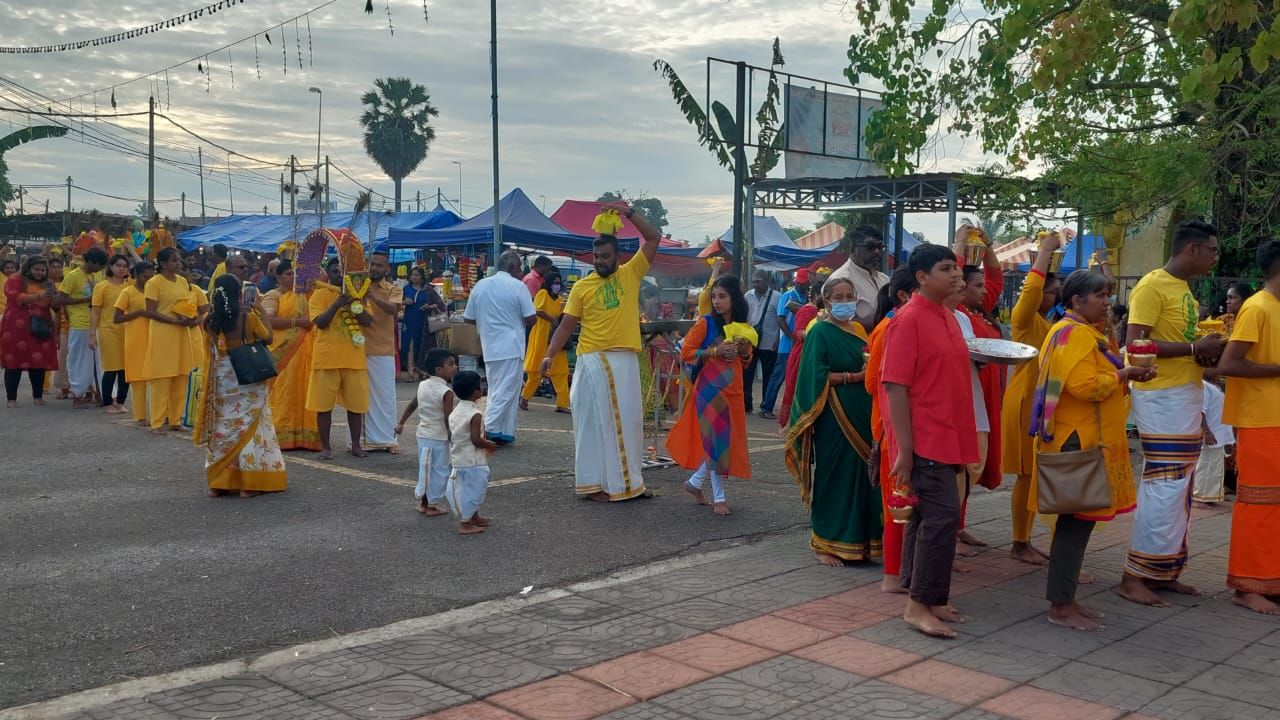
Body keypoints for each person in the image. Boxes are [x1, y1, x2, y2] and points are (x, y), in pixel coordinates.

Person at [1030, 270, 1146, 631]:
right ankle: (1061, 607)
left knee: (1076, 525)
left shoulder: (1077, 332)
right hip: (1079, 440)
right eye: (1100, 295)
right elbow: (1085, 386)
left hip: (1081, 437)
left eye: (1108, 295)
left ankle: (1066, 600)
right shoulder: (1075, 334)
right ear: (1077, 301)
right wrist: (1124, 374)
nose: (1107, 301)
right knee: (1073, 525)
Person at [1120, 219, 1226, 607]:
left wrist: (1202, 349)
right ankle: (1134, 576)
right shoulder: (1151, 285)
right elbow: (1135, 345)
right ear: (1192, 249)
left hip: (1184, 392)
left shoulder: (1182, 289)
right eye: (1212, 249)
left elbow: (1181, 342)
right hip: (1161, 394)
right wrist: (1195, 349)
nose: (1216, 257)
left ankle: (1162, 571)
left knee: (1179, 484)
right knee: (1164, 483)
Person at [881, 243, 976, 638]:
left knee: (927, 518)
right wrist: (904, 448)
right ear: (921, 278)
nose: (955, 275)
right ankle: (917, 605)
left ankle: (930, 597)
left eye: (955, 268)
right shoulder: (909, 319)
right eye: (944, 268)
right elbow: (894, 386)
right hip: (925, 437)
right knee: (942, 517)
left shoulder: (948, 316)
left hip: (947, 431)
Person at [541, 206, 662, 501]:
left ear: (618, 257)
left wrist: (630, 213)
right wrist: (548, 355)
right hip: (595, 360)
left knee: (629, 424)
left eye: (605, 256)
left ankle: (627, 482)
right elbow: (565, 326)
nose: (599, 261)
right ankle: (600, 485)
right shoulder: (582, 287)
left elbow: (653, 238)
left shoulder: (631, 273)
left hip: (626, 360)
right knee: (597, 426)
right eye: (596, 257)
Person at [786, 275, 884, 563]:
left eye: (849, 296)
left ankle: (861, 541)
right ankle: (824, 543)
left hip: (863, 413)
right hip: (833, 415)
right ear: (826, 301)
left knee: (863, 477)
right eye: (838, 297)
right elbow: (814, 376)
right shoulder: (820, 332)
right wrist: (854, 377)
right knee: (835, 476)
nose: (844, 302)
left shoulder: (858, 330)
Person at [1216, 240, 1280, 614]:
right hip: (1259, 419)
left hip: (1274, 417)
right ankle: (1246, 584)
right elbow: (1228, 364)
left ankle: (1269, 579)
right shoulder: (1257, 307)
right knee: (1258, 504)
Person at [192, 274, 287, 498]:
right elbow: (268, 338)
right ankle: (249, 484)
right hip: (247, 376)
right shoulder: (247, 316)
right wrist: (261, 310)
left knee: (224, 426)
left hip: (222, 377)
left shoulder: (209, 320)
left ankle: (219, 483)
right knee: (249, 427)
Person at [1001, 231, 1063, 565]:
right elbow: (1032, 289)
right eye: (1051, 292)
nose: (1054, 297)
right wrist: (1045, 251)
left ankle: (1025, 539)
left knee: (1037, 472)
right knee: (1027, 473)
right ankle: (1019, 541)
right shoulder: (1025, 321)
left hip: (1044, 403)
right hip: (1027, 401)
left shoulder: (1051, 324)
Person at [669, 276, 754, 516]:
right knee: (716, 442)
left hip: (733, 391)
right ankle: (719, 498)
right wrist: (714, 350)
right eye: (714, 296)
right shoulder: (705, 323)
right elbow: (685, 352)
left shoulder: (743, 327)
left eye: (722, 296)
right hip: (709, 389)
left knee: (722, 442)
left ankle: (695, 482)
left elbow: (746, 363)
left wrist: (745, 353)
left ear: (734, 298)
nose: (716, 301)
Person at [952, 228, 1005, 548]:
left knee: (974, 464)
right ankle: (950, 529)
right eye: (976, 285)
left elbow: (995, 276)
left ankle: (959, 525)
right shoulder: (954, 313)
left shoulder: (978, 312)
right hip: (967, 398)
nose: (985, 290)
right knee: (961, 465)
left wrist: (985, 247)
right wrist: (960, 246)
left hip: (987, 396)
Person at [866, 267, 916, 591]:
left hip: (903, 428)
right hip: (891, 431)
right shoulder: (891, 328)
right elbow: (874, 382)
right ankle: (892, 575)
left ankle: (903, 570)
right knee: (898, 503)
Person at [463, 250, 535, 445]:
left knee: (498, 389)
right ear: (512, 267)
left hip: (490, 345)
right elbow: (531, 317)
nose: (521, 271)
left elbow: (468, 318)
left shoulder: (481, 285)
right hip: (511, 345)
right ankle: (488, 428)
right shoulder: (518, 286)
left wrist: (488, 323)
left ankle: (502, 432)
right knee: (507, 391)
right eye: (520, 267)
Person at [307, 258, 373, 460]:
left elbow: (369, 322)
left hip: (353, 358)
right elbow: (320, 323)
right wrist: (337, 304)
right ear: (328, 274)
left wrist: (357, 304)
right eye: (335, 271)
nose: (339, 275)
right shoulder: (319, 294)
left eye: (342, 272)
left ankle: (355, 445)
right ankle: (326, 447)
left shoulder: (359, 295)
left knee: (356, 406)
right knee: (323, 405)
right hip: (327, 358)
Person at [261, 260, 321, 451]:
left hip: (306, 351)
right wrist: (297, 321)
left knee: (305, 391)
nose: (292, 277)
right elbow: (268, 320)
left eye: (295, 273)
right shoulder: (274, 295)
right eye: (288, 273)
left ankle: (306, 435)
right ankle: (281, 433)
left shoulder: (306, 295)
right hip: (283, 352)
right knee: (284, 393)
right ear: (278, 276)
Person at [142, 248, 200, 434]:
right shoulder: (154, 282)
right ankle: (157, 422)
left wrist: (191, 318)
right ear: (163, 264)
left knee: (181, 376)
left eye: (178, 260)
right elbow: (150, 311)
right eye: (174, 260)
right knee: (162, 377)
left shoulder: (183, 281)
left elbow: (186, 304)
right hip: (163, 332)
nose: (178, 263)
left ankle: (176, 419)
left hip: (182, 332)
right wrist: (174, 320)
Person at [396, 347, 458, 516]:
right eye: (451, 364)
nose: (455, 367)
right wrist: (454, 437)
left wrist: (401, 422)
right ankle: (431, 505)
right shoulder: (447, 392)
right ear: (439, 369)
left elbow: (412, 404)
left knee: (426, 469)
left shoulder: (423, 385)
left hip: (423, 435)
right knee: (440, 471)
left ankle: (424, 503)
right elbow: (448, 418)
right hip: (439, 437)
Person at [362, 252, 406, 454]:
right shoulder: (358, 283)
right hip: (357, 348)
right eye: (372, 264)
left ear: (387, 270)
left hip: (382, 348)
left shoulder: (393, 289)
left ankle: (388, 439)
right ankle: (360, 440)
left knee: (385, 395)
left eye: (379, 265)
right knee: (359, 396)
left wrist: (373, 297)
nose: (374, 268)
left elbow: (394, 310)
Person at [2, 256, 58, 407]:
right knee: (14, 361)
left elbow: (55, 306)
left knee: (38, 361)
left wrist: (56, 298)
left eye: (43, 270)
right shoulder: (15, 279)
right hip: (16, 327)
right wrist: (38, 296)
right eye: (37, 269)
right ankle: (11, 399)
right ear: (28, 268)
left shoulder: (48, 283)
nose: (40, 273)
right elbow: (15, 296)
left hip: (40, 327)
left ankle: (38, 397)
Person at [448, 370, 497, 534]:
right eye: (481, 386)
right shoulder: (475, 414)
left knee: (465, 488)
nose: (483, 388)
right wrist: (488, 444)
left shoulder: (455, 411)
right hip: (473, 461)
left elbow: (451, 434)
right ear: (476, 392)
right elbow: (476, 439)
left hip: (458, 458)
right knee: (476, 489)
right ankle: (465, 524)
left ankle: (474, 516)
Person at [59, 247, 108, 409]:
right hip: (79, 324)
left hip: (98, 323)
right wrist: (86, 300)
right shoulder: (72, 276)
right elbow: (61, 300)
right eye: (99, 265)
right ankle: (78, 394)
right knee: (79, 360)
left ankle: (99, 392)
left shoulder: (98, 275)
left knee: (99, 362)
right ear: (91, 262)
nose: (101, 268)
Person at [761, 268, 813, 419]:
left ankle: (792, 409)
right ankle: (766, 407)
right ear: (796, 283)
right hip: (787, 346)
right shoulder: (787, 296)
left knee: (795, 378)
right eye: (801, 283)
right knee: (779, 377)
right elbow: (780, 319)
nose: (803, 286)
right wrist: (792, 338)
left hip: (800, 345)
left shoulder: (807, 298)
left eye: (805, 283)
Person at [521, 270, 570, 412]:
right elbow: (537, 310)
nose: (557, 285)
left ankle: (562, 404)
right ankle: (524, 397)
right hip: (541, 337)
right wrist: (552, 319)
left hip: (555, 337)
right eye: (555, 282)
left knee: (561, 371)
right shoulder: (542, 294)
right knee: (536, 371)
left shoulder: (559, 299)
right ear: (549, 283)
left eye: (559, 282)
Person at [777, 284, 824, 430]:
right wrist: (816, 331)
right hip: (802, 354)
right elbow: (798, 332)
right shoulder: (809, 309)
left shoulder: (823, 311)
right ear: (816, 295)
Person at [113, 261, 155, 424]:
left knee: (157, 376)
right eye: (145, 277)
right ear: (136, 275)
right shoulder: (128, 292)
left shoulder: (155, 291)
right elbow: (117, 318)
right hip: (135, 338)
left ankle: (160, 414)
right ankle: (140, 415)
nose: (149, 280)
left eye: (152, 277)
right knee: (138, 378)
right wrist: (138, 313)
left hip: (155, 336)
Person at [829, 225, 890, 331]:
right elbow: (842, 322)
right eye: (870, 247)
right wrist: (889, 322)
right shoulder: (840, 280)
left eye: (880, 247)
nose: (877, 252)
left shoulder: (884, 279)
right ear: (853, 249)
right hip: (855, 345)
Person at [91, 254, 131, 414]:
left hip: (128, 331)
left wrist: (130, 249)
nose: (121, 269)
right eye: (118, 265)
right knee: (111, 368)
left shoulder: (130, 285)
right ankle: (107, 402)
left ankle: (121, 401)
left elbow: (146, 269)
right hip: (108, 330)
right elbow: (95, 312)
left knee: (125, 369)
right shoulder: (102, 286)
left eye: (124, 266)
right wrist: (92, 334)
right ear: (111, 267)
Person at [743, 270, 780, 414]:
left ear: (766, 281)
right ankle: (747, 405)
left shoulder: (777, 297)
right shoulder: (748, 295)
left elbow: (781, 320)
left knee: (768, 376)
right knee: (747, 374)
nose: (755, 284)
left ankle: (766, 406)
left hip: (769, 343)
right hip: (751, 342)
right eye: (754, 281)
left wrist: (777, 340)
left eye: (758, 281)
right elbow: (745, 316)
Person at [400, 267, 433, 380]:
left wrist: (429, 306)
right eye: (412, 275)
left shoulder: (428, 290)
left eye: (417, 275)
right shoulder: (406, 289)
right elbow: (397, 302)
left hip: (423, 321)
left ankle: (421, 371)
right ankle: (410, 372)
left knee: (422, 345)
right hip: (409, 320)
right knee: (410, 346)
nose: (414, 277)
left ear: (422, 277)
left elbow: (437, 304)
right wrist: (404, 302)